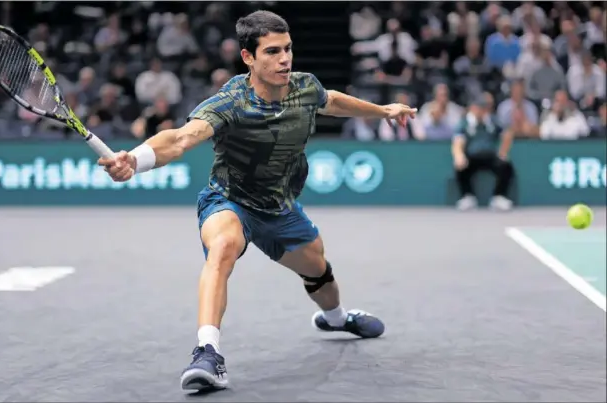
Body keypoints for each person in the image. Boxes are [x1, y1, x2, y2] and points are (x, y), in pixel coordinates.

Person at [97, 10, 417, 393]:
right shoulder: (232, 101)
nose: (284, 59)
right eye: (272, 52)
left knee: (318, 269)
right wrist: (137, 159)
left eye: (287, 49)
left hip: (281, 209)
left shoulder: (303, 87)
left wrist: (383, 111)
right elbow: (181, 138)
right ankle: (207, 353)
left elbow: (331, 101)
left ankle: (336, 318)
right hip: (229, 200)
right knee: (223, 248)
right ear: (248, 57)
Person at [452, 96, 515, 211]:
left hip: (490, 156)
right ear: (472, 108)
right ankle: (467, 196)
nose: (480, 111)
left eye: (483, 108)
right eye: (477, 108)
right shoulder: (465, 122)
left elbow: (507, 134)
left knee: (505, 166)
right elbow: (458, 141)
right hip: (471, 157)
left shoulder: (493, 121)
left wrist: (503, 152)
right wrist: (459, 156)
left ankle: (499, 196)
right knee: (460, 166)